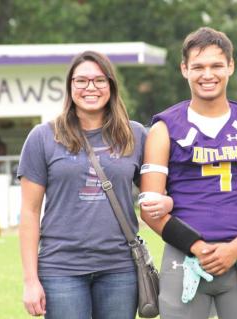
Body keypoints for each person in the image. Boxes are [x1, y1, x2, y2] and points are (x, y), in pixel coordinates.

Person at [139, 27, 237, 319]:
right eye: (198, 67)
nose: (208, 74)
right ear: (184, 70)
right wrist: (197, 247)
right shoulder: (164, 128)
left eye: (216, 65)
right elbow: (150, 209)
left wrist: (235, 248)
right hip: (184, 256)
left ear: (231, 66)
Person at [17, 51, 172, 319]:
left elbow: (157, 194)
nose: (91, 87)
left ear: (111, 86)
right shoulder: (42, 137)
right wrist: (31, 281)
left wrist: (167, 201)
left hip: (120, 269)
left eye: (100, 80)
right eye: (81, 81)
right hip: (61, 269)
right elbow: (30, 213)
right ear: (70, 87)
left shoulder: (135, 135)